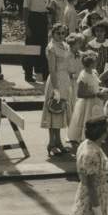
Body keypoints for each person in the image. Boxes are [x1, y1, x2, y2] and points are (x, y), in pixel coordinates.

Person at [41, 24, 74, 157]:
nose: (61, 36)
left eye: (63, 33)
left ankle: (59, 142)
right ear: (53, 33)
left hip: (65, 80)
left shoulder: (65, 45)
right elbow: (52, 70)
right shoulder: (51, 48)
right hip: (56, 81)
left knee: (60, 111)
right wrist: (55, 89)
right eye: (58, 33)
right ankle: (51, 143)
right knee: (53, 110)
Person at [68, 52, 107, 146]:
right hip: (88, 103)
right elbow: (80, 93)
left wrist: (102, 90)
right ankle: (85, 138)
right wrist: (96, 94)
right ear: (90, 64)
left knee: (97, 119)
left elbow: (95, 85)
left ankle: (97, 137)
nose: (96, 63)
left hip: (97, 101)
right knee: (87, 119)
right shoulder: (83, 75)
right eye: (95, 62)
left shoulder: (94, 72)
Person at [22, 0, 50, 83]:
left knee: (44, 48)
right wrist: (27, 27)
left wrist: (48, 23)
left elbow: (46, 9)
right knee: (30, 48)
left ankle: (44, 75)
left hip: (42, 21)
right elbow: (25, 11)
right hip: (33, 20)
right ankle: (28, 75)